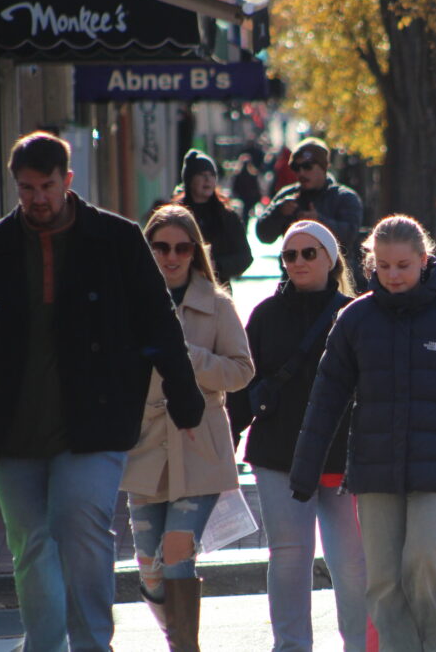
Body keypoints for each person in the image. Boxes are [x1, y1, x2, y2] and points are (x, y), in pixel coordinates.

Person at [0, 131, 205, 652]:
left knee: (81, 531)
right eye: (26, 188)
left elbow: (159, 323)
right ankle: (43, 645)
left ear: (68, 181)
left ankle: (91, 645)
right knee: (31, 545)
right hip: (11, 426)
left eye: (47, 186)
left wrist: (185, 401)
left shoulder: (117, 240)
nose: (37, 198)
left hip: (95, 423)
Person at [290, 215, 436, 651]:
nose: (393, 275)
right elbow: (326, 396)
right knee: (385, 582)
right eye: (383, 266)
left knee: (426, 560)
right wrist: (305, 468)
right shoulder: (354, 319)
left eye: (403, 266)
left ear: (424, 261)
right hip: (375, 470)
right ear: (371, 262)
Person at [120, 204, 255, 651]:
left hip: (200, 445)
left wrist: (188, 358)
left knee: (177, 554)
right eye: (160, 247)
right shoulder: (131, 303)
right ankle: (175, 635)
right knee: (149, 567)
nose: (171, 256)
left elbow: (241, 372)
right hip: (146, 447)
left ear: (195, 252)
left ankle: (184, 649)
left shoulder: (216, 304)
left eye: (181, 247)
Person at [227, 220, 367, 652]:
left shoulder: (356, 312)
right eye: (290, 255)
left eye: (309, 253)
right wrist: (225, 443)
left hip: (342, 458)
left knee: (351, 564)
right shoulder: (266, 315)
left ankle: (360, 645)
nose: (299, 262)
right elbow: (242, 388)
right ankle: (291, 646)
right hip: (278, 455)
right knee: (288, 557)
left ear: (330, 259)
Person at [255, 138, 364, 283]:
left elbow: (350, 235)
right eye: (296, 168)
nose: (301, 173)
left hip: (335, 283)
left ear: (324, 167)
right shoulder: (287, 196)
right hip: (293, 284)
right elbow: (263, 235)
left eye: (307, 167)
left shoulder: (344, 197)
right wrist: (279, 212)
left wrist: (318, 222)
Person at [172, 149, 252, 285]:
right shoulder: (175, 216)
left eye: (211, 175)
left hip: (217, 290)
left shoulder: (227, 216)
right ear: (190, 180)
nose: (207, 180)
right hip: (181, 290)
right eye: (202, 175)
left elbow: (244, 257)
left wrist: (218, 266)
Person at [230, 152, 263, 228]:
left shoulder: (250, 174)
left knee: (245, 213)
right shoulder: (244, 174)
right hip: (244, 198)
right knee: (245, 213)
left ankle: (244, 225)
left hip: (247, 198)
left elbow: (256, 187)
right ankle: (244, 225)